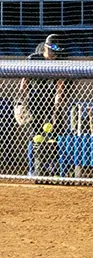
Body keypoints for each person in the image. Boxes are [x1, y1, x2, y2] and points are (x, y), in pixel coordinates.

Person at [16, 33, 65, 176]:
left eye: (55, 53)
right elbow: (24, 82)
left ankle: (52, 169)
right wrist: (20, 102)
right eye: (51, 52)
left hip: (50, 103)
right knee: (35, 136)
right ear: (45, 47)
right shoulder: (34, 59)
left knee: (52, 136)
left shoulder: (59, 62)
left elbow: (59, 87)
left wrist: (57, 108)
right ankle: (33, 168)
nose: (53, 55)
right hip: (34, 101)